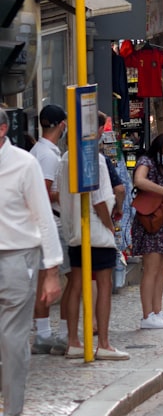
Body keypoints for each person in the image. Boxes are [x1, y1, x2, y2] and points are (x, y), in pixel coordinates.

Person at [0, 108, 63, 416]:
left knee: (12, 341)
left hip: (17, 258)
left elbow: (43, 217)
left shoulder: (24, 165)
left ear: (2, 130)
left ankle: (11, 411)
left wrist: (51, 271)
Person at [57, 146, 130, 360]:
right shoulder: (95, 160)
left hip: (75, 231)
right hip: (95, 230)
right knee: (104, 284)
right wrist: (109, 226)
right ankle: (104, 344)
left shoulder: (65, 159)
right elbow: (99, 200)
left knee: (75, 284)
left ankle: (73, 341)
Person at [29, 104, 70, 355]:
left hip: (46, 222)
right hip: (51, 223)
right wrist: (64, 194)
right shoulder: (47, 155)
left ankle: (44, 332)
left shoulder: (40, 151)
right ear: (62, 125)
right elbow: (42, 191)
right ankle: (52, 333)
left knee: (45, 278)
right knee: (65, 278)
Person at [131, 133, 163, 328]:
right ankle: (147, 315)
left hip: (160, 221)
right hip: (149, 221)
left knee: (161, 267)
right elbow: (139, 180)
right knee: (151, 269)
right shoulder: (146, 161)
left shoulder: (162, 167)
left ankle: (157, 310)